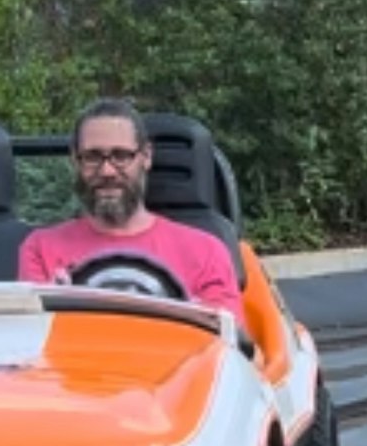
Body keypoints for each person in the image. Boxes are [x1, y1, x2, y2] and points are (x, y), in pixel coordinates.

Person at [14, 99, 247, 311]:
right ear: (75, 161)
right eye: (93, 157)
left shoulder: (207, 252)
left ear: (145, 156)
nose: (107, 171)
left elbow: (227, 345)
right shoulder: (40, 249)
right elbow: (32, 345)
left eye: (121, 156)